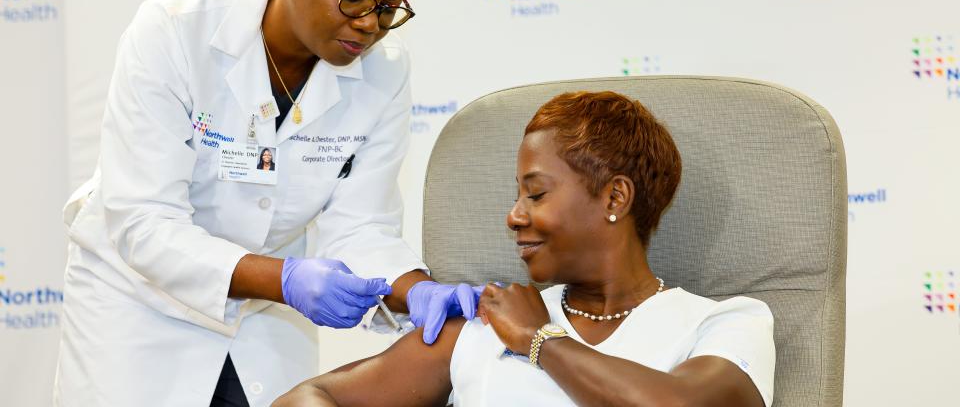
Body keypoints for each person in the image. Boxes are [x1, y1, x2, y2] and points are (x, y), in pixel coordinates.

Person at [54, 0, 479, 407]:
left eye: (390, 7)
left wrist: (416, 290)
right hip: (137, 309)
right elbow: (142, 221)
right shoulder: (179, 28)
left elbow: (361, 225)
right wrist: (285, 278)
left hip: (267, 320)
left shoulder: (385, 70)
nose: (370, 25)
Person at [274, 91, 776, 407]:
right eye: (516, 195)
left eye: (535, 193)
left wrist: (541, 340)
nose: (514, 215)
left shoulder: (726, 323)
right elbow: (311, 396)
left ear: (615, 197)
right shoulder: (484, 322)